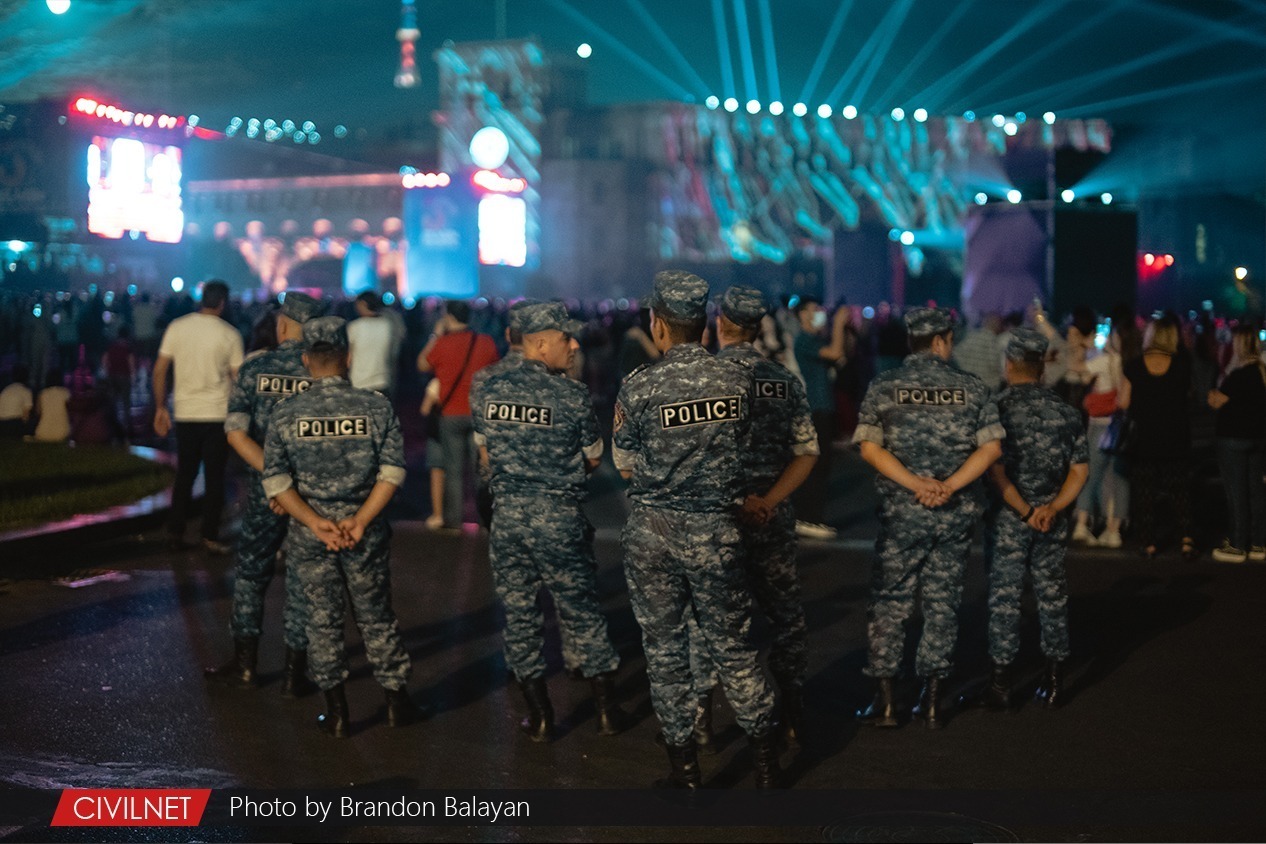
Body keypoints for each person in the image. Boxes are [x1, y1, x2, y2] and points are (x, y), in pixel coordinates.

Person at [613, 271, 780, 790]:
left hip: (654, 535)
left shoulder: (639, 386)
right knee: (733, 646)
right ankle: (766, 763)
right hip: (716, 533)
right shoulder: (736, 381)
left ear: (659, 324)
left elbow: (623, 463)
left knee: (664, 651)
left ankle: (685, 768)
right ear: (704, 325)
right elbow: (744, 444)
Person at [472, 301, 630, 742]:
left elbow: (485, 453)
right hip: (559, 519)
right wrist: (556, 476)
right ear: (541, 344)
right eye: (566, 338)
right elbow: (594, 457)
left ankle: (540, 716)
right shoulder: (572, 395)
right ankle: (605, 711)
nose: (575, 345)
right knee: (581, 612)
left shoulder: (488, 390)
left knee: (520, 617)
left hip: (508, 521)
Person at [262, 316, 423, 737]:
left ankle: (336, 713)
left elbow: (276, 483)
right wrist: (360, 519)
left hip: (310, 533)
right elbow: (392, 471)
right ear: (348, 357)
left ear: (304, 360)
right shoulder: (375, 406)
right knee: (375, 615)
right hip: (363, 529)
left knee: (321, 620)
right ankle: (395, 702)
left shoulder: (286, 413)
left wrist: (316, 521)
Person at [852, 307, 1004, 729]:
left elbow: (869, 447)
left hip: (902, 515)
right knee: (942, 604)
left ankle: (884, 703)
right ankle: (932, 700)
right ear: (941, 342)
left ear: (912, 341)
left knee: (889, 604)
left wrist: (914, 484)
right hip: (952, 514)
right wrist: (949, 486)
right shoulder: (971, 388)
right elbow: (991, 449)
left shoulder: (885, 385)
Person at [686, 286, 820, 747]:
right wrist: (769, 500)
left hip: (717, 517)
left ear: (719, 324)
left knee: (708, 616)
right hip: (772, 516)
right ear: (760, 326)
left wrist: (738, 500)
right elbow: (806, 453)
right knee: (785, 616)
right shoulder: (785, 381)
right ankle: (794, 712)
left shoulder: (701, 380)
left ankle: (701, 717)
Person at [206, 292, 322, 694]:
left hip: (263, 491)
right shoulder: (321, 373)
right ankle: (294, 674)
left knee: (252, 574)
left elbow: (235, 432)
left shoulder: (257, 368)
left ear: (284, 325)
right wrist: (293, 482)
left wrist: (274, 478)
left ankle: (245, 664)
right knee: (302, 580)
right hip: (308, 492)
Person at [981, 329, 1089, 711]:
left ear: (1009, 364)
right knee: (1052, 595)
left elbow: (995, 471)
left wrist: (1024, 511)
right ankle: (1056, 680)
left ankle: (1001, 685)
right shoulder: (1068, 413)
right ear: (1043, 367)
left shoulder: (996, 408)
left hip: (1011, 517)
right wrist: (1052, 508)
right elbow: (1079, 471)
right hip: (1050, 518)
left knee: (1005, 598)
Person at [152, 279, 244, 553]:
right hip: (217, 413)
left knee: (185, 474)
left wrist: (160, 407)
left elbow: (159, 370)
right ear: (223, 303)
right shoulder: (230, 334)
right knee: (215, 477)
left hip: (185, 412)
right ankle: (209, 535)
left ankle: (175, 532)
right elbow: (238, 379)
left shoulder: (177, 327)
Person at [416, 300, 499, 530]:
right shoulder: (485, 342)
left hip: (450, 413)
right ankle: (484, 516)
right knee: (480, 469)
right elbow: (494, 370)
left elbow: (422, 364)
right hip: (478, 413)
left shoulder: (442, 343)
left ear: (448, 317)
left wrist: (435, 334)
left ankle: (454, 518)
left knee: (453, 469)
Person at [1120, 318, 1196, 560]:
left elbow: (1123, 402)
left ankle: (1148, 542)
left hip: (1143, 438)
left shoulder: (1133, 366)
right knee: (1179, 491)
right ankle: (1186, 539)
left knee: (1145, 493)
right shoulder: (1182, 366)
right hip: (1175, 436)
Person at [1206, 325, 1266, 563]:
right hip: (1258, 438)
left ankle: (1238, 544)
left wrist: (1213, 392)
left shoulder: (1239, 375)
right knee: (1256, 491)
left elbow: (1216, 401)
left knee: (1237, 492)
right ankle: (1259, 542)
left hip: (1233, 438)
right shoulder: (1261, 372)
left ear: (1239, 344)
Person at [790, 297, 848, 539]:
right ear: (802, 314)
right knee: (814, 463)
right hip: (815, 407)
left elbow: (841, 355)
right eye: (814, 310)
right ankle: (807, 517)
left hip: (824, 406)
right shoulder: (803, 340)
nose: (819, 314)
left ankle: (811, 516)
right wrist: (839, 324)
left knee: (822, 464)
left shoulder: (814, 339)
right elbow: (835, 353)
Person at [1073, 322, 1130, 548]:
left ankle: (1081, 524)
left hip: (1099, 424)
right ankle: (1114, 530)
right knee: (1119, 480)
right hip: (1121, 426)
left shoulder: (1106, 360)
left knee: (1091, 476)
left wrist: (1085, 347)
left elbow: (1078, 369)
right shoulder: (1130, 362)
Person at [347, 291, 403, 396]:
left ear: (363, 304)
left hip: (359, 382)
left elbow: (349, 357)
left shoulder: (355, 327)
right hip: (383, 380)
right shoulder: (387, 325)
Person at [102, 325, 136, 440]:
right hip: (124, 375)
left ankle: (113, 424)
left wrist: (107, 370)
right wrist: (133, 375)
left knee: (114, 400)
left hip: (113, 375)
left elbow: (105, 359)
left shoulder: (112, 346)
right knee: (126, 401)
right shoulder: (128, 347)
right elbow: (130, 362)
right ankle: (127, 425)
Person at [32, 370, 71, 443]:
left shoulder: (42, 393)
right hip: (62, 433)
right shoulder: (66, 393)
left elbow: (38, 412)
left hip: (43, 432)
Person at [0, 365, 33, 438]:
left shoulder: (6, 390)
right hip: (14, 424)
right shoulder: (25, 391)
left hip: (2, 424)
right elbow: (26, 414)